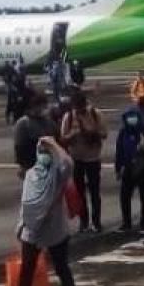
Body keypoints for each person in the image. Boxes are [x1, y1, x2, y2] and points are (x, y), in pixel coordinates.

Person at [11, 136, 78, 286]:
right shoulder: (32, 174)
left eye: (46, 153)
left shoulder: (58, 174)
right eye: (41, 153)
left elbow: (68, 164)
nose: (43, 156)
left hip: (54, 229)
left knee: (61, 266)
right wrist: (21, 224)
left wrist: (54, 145)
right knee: (27, 268)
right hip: (32, 228)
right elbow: (26, 202)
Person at [61, 91, 107, 232]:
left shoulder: (95, 114)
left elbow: (104, 133)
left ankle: (96, 221)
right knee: (79, 192)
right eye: (76, 108)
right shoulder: (68, 117)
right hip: (77, 159)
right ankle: (84, 221)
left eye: (81, 108)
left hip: (92, 158)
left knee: (94, 191)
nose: (79, 111)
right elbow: (62, 138)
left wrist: (90, 132)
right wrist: (72, 135)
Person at [115, 100, 144, 232]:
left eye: (133, 116)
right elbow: (119, 151)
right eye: (128, 117)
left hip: (143, 169)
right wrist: (118, 169)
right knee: (124, 196)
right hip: (128, 168)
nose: (131, 119)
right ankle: (126, 222)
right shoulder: (123, 132)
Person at [13, 92, 58, 177]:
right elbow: (19, 146)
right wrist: (22, 166)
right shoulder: (23, 123)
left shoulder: (49, 122)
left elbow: (56, 139)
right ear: (34, 107)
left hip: (48, 162)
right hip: (31, 163)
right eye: (42, 106)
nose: (45, 109)